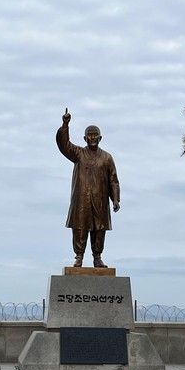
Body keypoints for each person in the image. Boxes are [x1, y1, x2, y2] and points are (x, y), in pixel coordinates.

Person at [56, 108, 120, 268]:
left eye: (95, 134)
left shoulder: (106, 158)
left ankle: (97, 257)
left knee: (99, 230)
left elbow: (113, 180)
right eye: (89, 135)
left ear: (100, 138)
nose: (92, 137)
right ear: (85, 138)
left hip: (100, 200)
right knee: (80, 228)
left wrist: (116, 199)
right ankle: (79, 256)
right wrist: (65, 125)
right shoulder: (78, 154)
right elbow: (64, 145)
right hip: (81, 199)